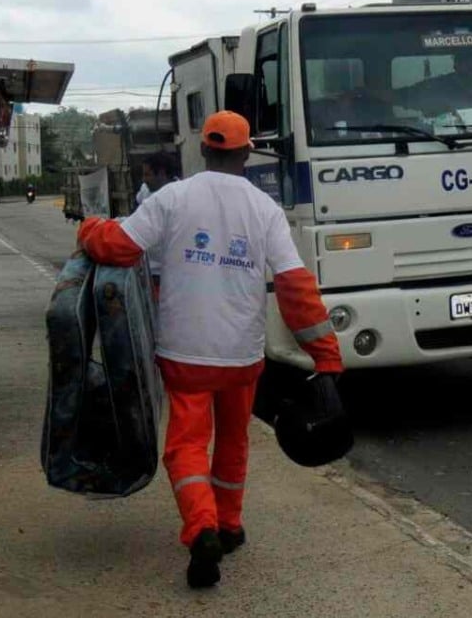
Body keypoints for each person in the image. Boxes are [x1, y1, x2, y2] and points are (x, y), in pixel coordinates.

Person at [77, 111, 343, 589]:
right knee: (234, 440)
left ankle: (201, 527)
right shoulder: (264, 210)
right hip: (242, 356)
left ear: (203, 149)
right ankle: (229, 523)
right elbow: (296, 288)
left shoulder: (174, 198)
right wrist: (325, 355)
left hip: (185, 353)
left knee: (185, 445)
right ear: (245, 153)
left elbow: (118, 246)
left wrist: (88, 229)